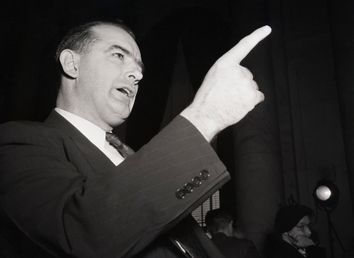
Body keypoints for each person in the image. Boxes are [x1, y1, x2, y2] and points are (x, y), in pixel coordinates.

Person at [0, 20, 271, 257]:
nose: (138, 74)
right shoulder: (19, 141)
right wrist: (206, 118)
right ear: (72, 64)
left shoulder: (132, 157)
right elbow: (79, 232)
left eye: (139, 67)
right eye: (118, 55)